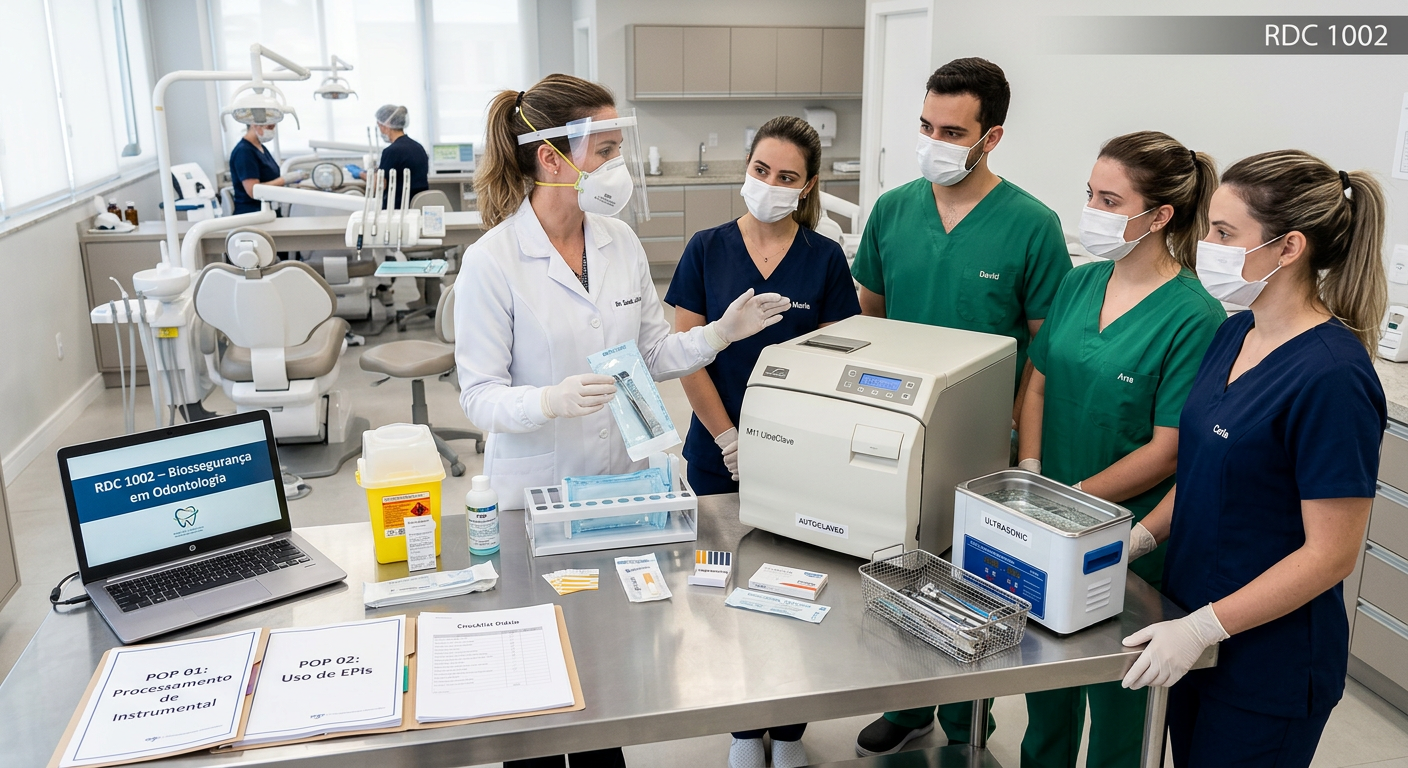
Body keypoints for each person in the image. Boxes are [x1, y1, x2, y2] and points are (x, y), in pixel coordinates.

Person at [453, 73, 790, 767]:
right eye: (604, 149)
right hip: (532, 495)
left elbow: (652, 355)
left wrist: (718, 334)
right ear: (552, 158)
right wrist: (546, 400)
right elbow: (478, 396)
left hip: (613, 486)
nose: (618, 166)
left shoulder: (617, 244)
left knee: (606, 675)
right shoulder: (492, 263)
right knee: (537, 691)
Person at [1122, 150, 1388, 767]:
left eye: (1224, 233)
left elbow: (1331, 555)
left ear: (1288, 247)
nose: (1204, 246)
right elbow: (1207, 470)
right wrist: (1139, 537)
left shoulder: (1332, 377)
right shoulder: (1233, 333)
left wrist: (1204, 628)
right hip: (1194, 627)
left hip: (1268, 665)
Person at [848, 57, 1071, 757]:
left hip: (982, 446)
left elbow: (1043, 346)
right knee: (896, 569)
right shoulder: (893, 209)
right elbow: (873, 316)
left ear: (991, 136)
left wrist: (1016, 438)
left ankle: (966, 720)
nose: (933, 140)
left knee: (972, 586)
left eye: (952, 129)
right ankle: (908, 705)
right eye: (925, 125)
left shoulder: (1033, 225)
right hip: (896, 434)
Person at [1014, 132, 1224, 768]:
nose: (1093, 212)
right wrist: (1030, 475)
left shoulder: (1196, 316)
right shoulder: (1081, 282)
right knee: (1043, 690)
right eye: (1090, 195)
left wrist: (1072, 501)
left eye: (1110, 200)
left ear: (1160, 215)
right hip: (1046, 521)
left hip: (1128, 539)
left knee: (1118, 705)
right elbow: (1040, 384)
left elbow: (1168, 451)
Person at [663, 115, 860, 768]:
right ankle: (744, 727)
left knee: (794, 585)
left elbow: (837, 360)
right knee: (719, 586)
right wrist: (725, 437)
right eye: (760, 170)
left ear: (806, 187)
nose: (769, 185)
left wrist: (784, 442)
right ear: (745, 168)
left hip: (798, 456)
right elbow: (684, 355)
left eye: (786, 177)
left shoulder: (824, 258)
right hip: (716, 450)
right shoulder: (706, 248)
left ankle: (790, 727)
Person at [348, 104, 429, 207]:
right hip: (419, 206)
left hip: (398, 209)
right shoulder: (418, 147)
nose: (380, 130)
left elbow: (379, 185)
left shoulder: (391, 151)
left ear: (386, 125)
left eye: (379, 126)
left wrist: (361, 174)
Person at [228, 121, 305, 215]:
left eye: (273, 127)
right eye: (269, 127)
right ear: (254, 124)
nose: (272, 131)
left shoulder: (260, 148)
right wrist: (284, 180)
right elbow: (253, 191)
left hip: (268, 210)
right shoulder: (244, 151)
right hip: (252, 214)